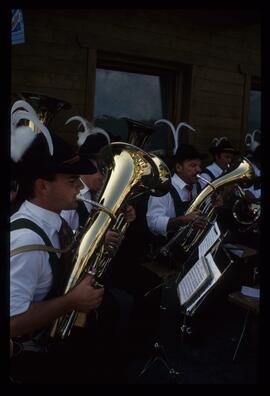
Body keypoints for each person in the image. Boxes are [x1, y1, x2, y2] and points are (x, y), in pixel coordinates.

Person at [10, 102, 104, 383]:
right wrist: (72, 301)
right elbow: (11, 323)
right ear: (43, 186)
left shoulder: (55, 220)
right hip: (28, 363)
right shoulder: (26, 239)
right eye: (72, 180)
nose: (79, 186)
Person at [146, 143, 207, 245]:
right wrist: (183, 220)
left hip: (193, 244)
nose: (199, 170)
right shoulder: (164, 188)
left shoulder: (199, 185)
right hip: (168, 248)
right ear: (179, 167)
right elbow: (153, 222)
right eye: (193, 165)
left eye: (199, 166)